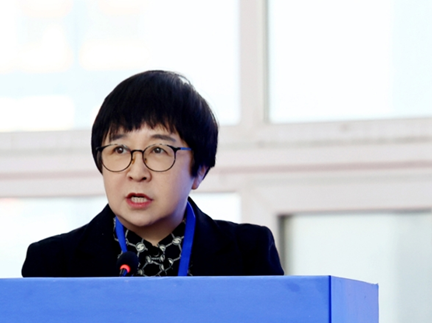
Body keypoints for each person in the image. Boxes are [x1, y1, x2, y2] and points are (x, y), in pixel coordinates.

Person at [21, 70, 283, 277]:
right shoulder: (52, 263)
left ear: (200, 170)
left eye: (158, 150)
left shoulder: (250, 253)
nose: (137, 172)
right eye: (120, 149)